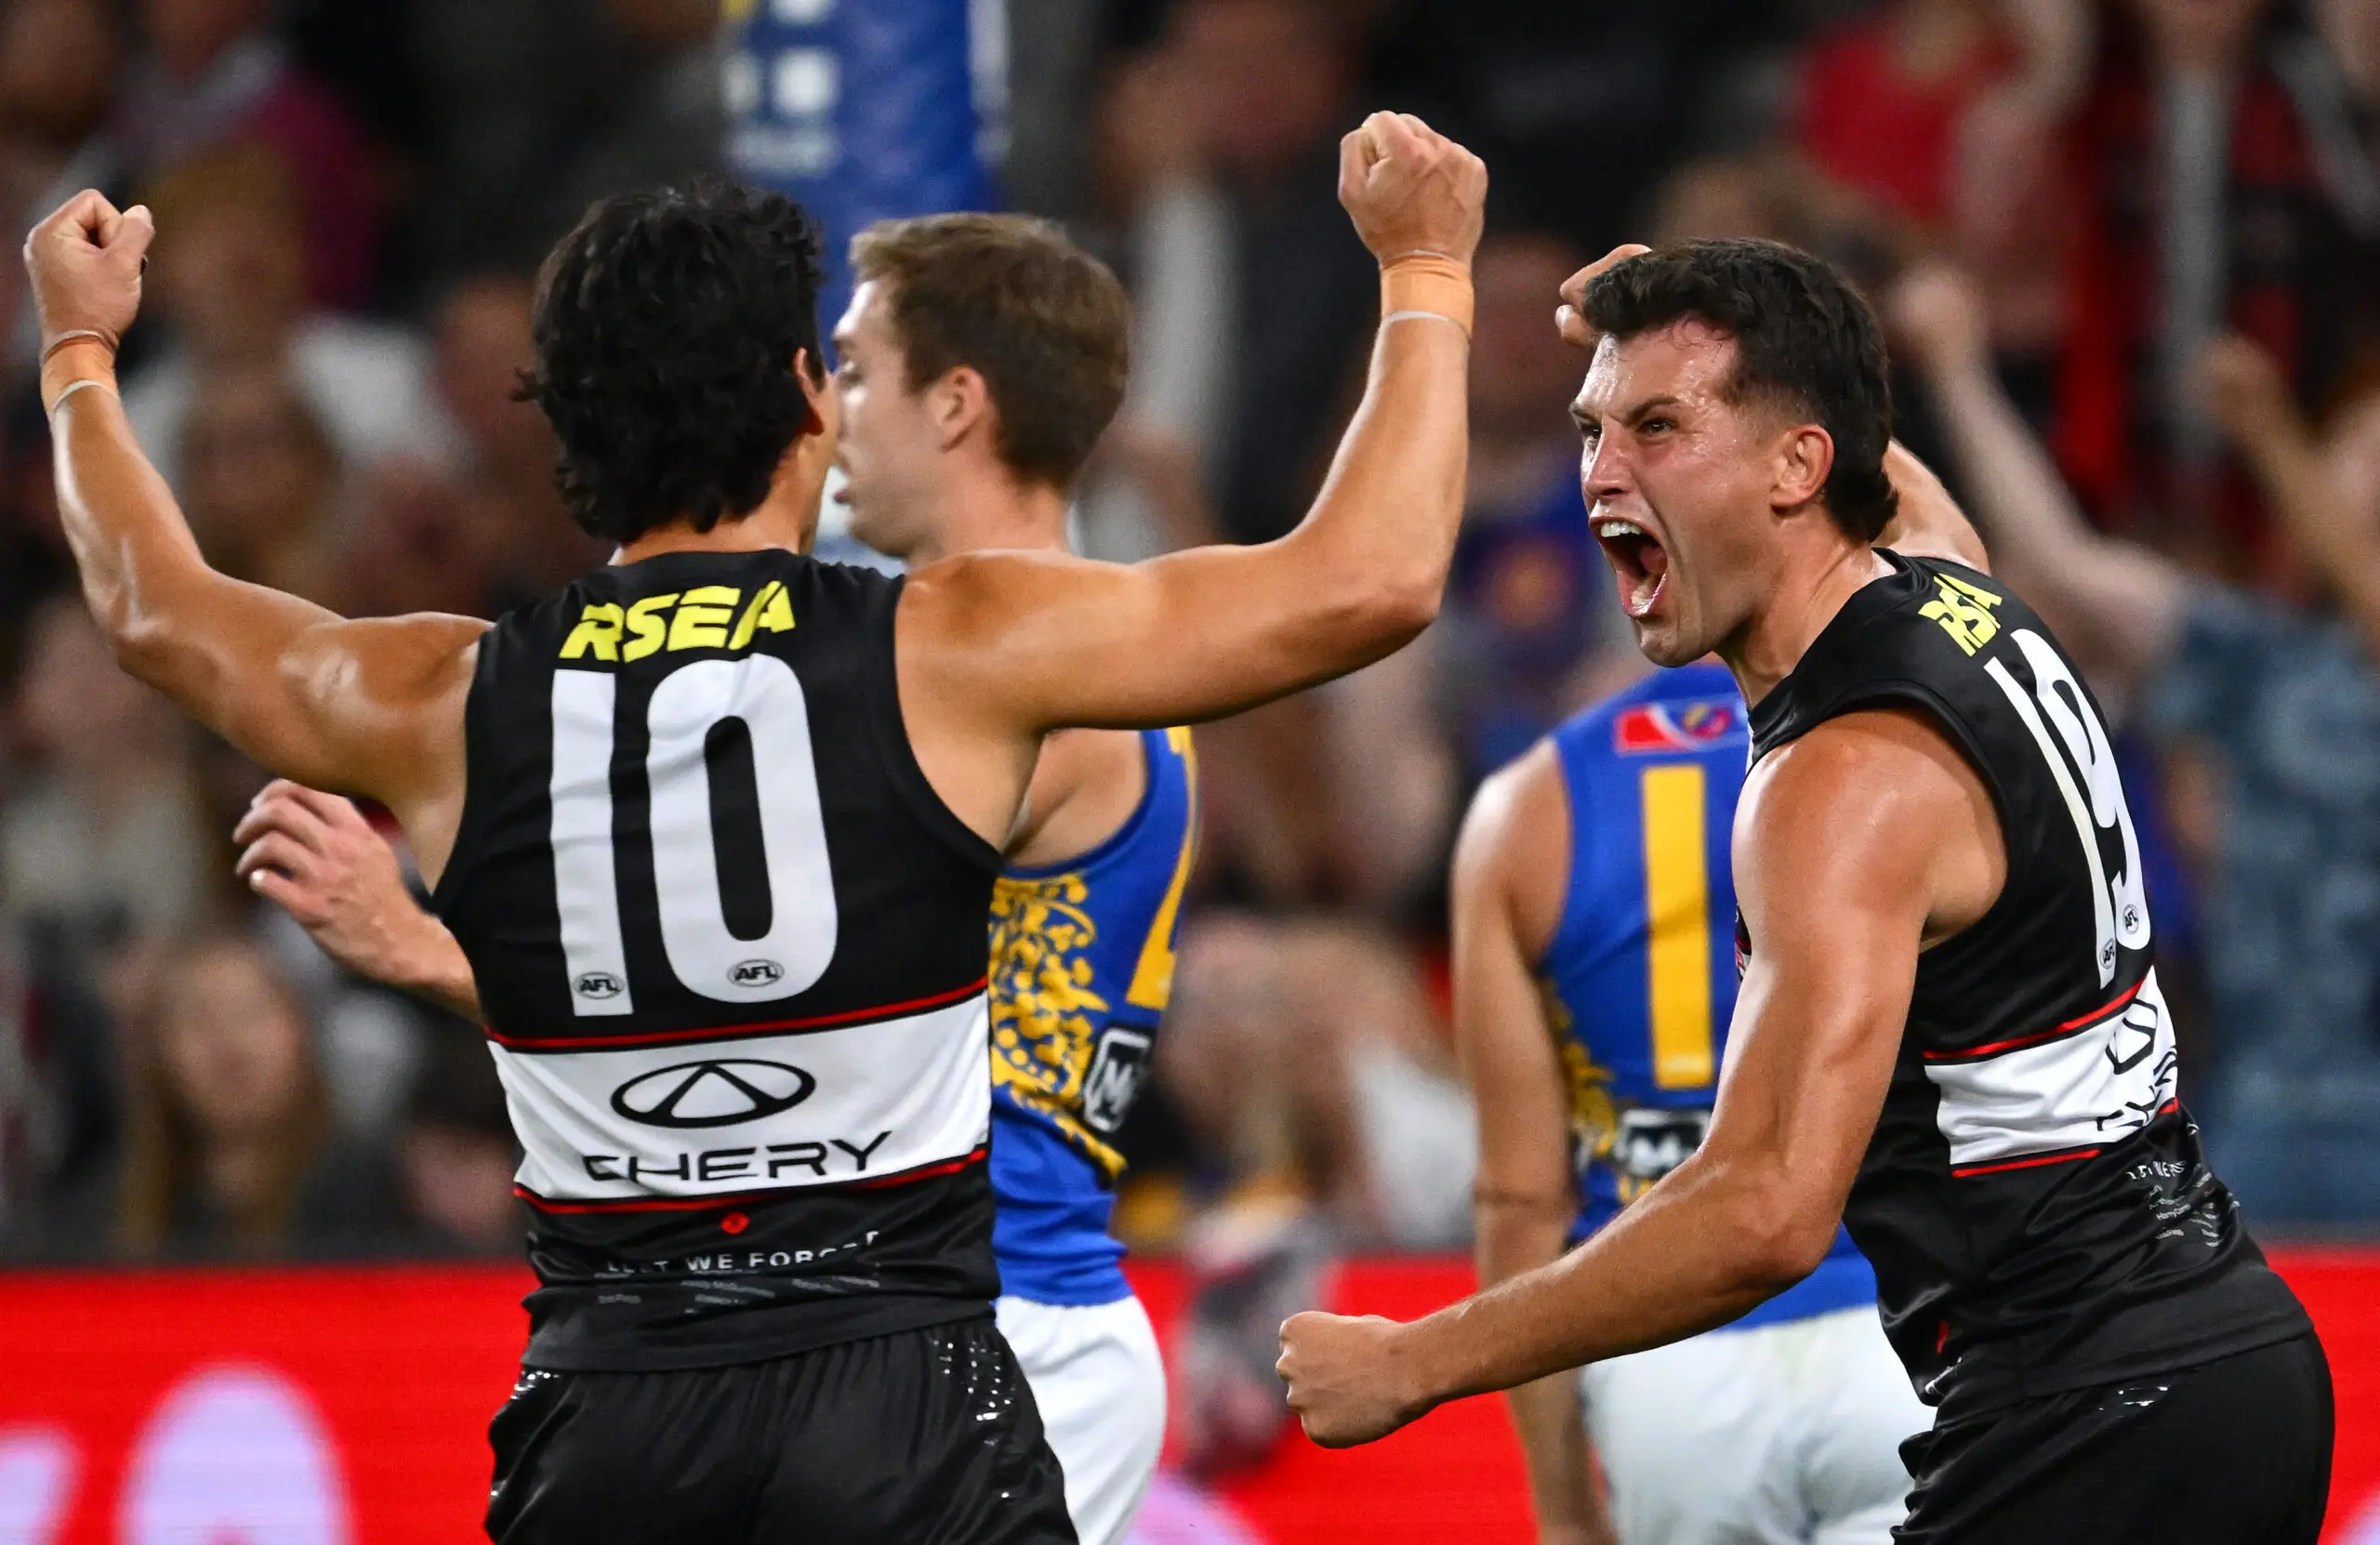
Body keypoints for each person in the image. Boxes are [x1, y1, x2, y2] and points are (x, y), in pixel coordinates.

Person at [27, 106, 1485, 1543]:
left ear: (566, 427)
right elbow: (1371, 578)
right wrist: (1422, 274)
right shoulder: (955, 649)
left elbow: (156, 609)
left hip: (612, 1398)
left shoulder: (439, 696)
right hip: (900, 1390)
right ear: (807, 398)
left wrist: (82, 356)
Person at [1276, 239, 2329, 1545]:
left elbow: (1768, 1210)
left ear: (1798, 466)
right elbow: (1889, 472)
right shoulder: (1962, 597)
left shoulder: (1838, 779)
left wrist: (1415, 1359)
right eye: (1594, 428)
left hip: (2088, 1400)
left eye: (1660, 427)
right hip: (2219, 1350)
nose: (1602, 472)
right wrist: (1753, 318)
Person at [231, 209, 1204, 1545]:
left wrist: (428, 943)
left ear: (960, 404)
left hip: (984, 1314)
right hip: (951, 1309)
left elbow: (756, 989)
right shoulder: (1011, 668)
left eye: (854, 369)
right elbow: (747, 992)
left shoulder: (1017, 684)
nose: (825, 407)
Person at [1459, 438, 1979, 1545]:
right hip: (1900, 1323)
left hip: (1664, 1361)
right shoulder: (1891, 740)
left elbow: (1519, 1201)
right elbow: (1951, 563)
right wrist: (1763, 394)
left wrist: (1558, 1504)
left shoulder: (1521, 810)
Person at [1889, 262, 2380, 1221]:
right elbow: (2064, 567)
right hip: (2258, 1101)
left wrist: (2268, 433)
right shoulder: (2264, 658)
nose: (2360, 471)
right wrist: (1958, 373)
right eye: (2356, 449)